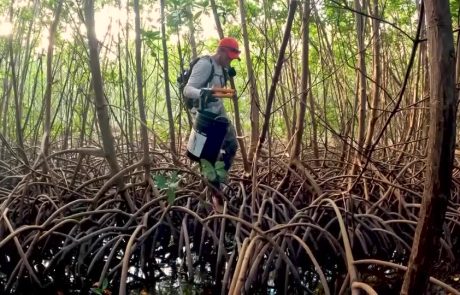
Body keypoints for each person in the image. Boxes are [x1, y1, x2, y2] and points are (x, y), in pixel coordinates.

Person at [183, 37, 240, 210]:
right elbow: (188, 89)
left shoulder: (222, 68)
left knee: (231, 144)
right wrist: (203, 93)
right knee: (207, 158)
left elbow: (218, 92)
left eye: (233, 58)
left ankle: (218, 179)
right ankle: (216, 195)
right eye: (229, 56)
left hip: (219, 116)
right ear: (221, 51)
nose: (230, 60)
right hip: (205, 118)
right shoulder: (205, 64)